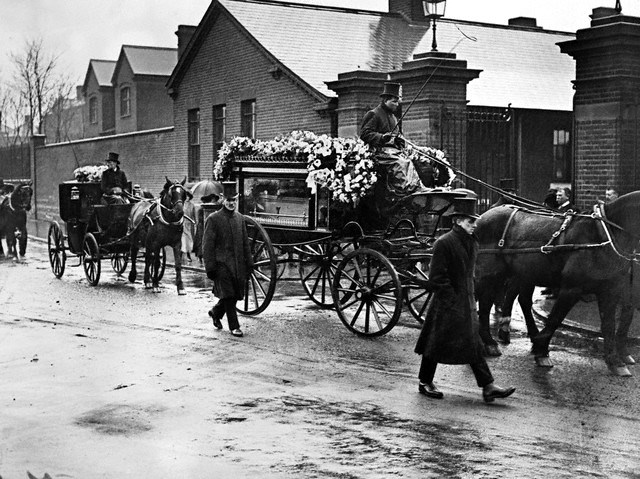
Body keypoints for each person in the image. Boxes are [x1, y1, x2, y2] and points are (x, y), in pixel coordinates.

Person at [414, 197, 516, 402]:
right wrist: (452, 301)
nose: (474, 225)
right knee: (435, 342)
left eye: (474, 221)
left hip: (466, 301)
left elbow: (470, 272)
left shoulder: (471, 241)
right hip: (447, 303)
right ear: (458, 221)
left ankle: (488, 386)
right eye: (470, 221)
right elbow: (437, 279)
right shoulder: (444, 243)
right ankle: (425, 382)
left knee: (473, 342)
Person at [203, 181, 254, 337]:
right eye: (228, 200)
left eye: (234, 201)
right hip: (221, 265)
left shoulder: (239, 218)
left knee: (235, 294)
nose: (231, 203)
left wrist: (249, 262)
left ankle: (216, 312)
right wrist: (210, 267)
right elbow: (207, 246)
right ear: (222, 200)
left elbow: (245, 243)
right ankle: (234, 326)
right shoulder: (214, 219)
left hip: (237, 265)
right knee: (229, 295)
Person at [181, 187, 196, 262]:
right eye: (186, 196)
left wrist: (194, 222)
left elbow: (194, 215)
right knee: (182, 239)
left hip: (189, 225)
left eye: (188, 196)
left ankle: (188, 254)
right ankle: (181, 254)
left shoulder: (192, 205)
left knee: (189, 240)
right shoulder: (182, 204)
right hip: (182, 223)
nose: (187, 198)